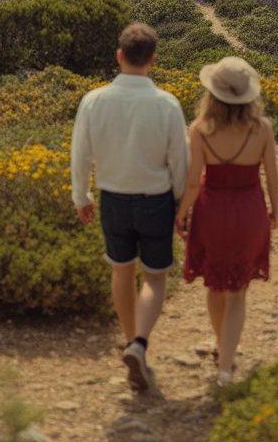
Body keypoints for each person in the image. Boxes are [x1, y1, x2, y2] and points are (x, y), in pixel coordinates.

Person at [70, 23, 189, 392]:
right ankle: (140, 343)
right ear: (153, 60)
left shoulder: (94, 100)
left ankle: (130, 342)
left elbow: (80, 153)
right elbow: (179, 162)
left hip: (113, 199)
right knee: (155, 277)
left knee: (121, 272)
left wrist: (81, 196)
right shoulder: (167, 103)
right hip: (156, 201)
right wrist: (183, 206)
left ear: (119, 56)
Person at [176, 57, 278, 387]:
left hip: (212, 212)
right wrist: (274, 210)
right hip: (250, 211)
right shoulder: (262, 129)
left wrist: (181, 214)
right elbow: (272, 176)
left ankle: (222, 349)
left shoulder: (201, 130)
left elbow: (193, 182)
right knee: (238, 292)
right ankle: (226, 364)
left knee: (214, 283)